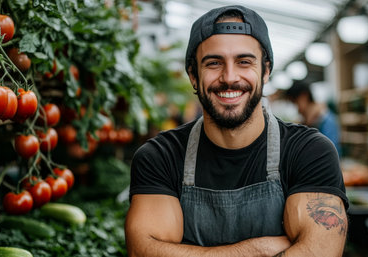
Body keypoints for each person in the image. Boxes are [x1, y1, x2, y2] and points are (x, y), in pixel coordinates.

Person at [125, 5, 348, 257]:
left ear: (265, 71)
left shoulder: (309, 152)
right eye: (213, 63)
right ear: (193, 75)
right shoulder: (160, 157)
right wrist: (258, 249)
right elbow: (144, 252)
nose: (229, 77)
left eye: (244, 62)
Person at [285, 81, 342, 156]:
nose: (297, 109)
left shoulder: (326, 120)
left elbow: (331, 151)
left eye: (295, 102)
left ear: (304, 96)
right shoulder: (306, 121)